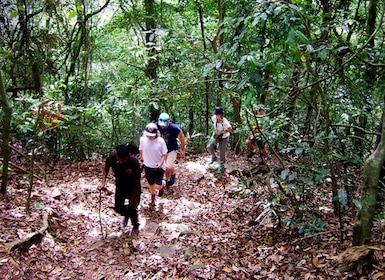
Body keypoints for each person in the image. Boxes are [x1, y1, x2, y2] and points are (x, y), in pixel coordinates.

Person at [99, 144, 141, 237]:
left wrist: (133, 198)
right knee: (118, 207)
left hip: (133, 187)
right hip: (120, 185)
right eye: (120, 159)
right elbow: (106, 168)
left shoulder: (134, 163)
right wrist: (103, 182)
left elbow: (137, 181)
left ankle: (135, 225)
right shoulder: (112, 158)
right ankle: (127, 214)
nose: (121, 162)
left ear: (128, 156)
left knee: (133, 206)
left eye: (124, 159)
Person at [139, 123, 171, 207]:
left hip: (158, 167)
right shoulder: (143, 139)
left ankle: (163, 184)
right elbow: (141, 149)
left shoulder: (160, 141)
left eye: (152, 135)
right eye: (148, 135)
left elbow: (165, 153)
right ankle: (153, 198)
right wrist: (142, 159)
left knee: (157, 185)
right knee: (151, 184)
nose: (150, 137)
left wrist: (160, 163)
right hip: (148, 165)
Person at [156, 112, 186, 186]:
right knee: (164, 167)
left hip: (172, 149)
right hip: (162, 151)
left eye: (164, 124)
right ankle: (167, 180)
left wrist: (182, 149)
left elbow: (181, 137)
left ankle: (173, 174)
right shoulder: (156, 126)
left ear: (169, 122)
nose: (162, 126)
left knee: (168, 166)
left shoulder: (174, 128)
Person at [206, 106, 232, 171]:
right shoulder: (214, 118)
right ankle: (214, 157)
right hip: (216, 135)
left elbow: (230, 129)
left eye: (218, 114)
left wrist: (222, 132)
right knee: (209, 147)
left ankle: (222, 164)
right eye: (216, 114)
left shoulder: (225, 122)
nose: (217, 115)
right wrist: (216, 133)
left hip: (224, 137)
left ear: (221, 114)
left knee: (221, 151)